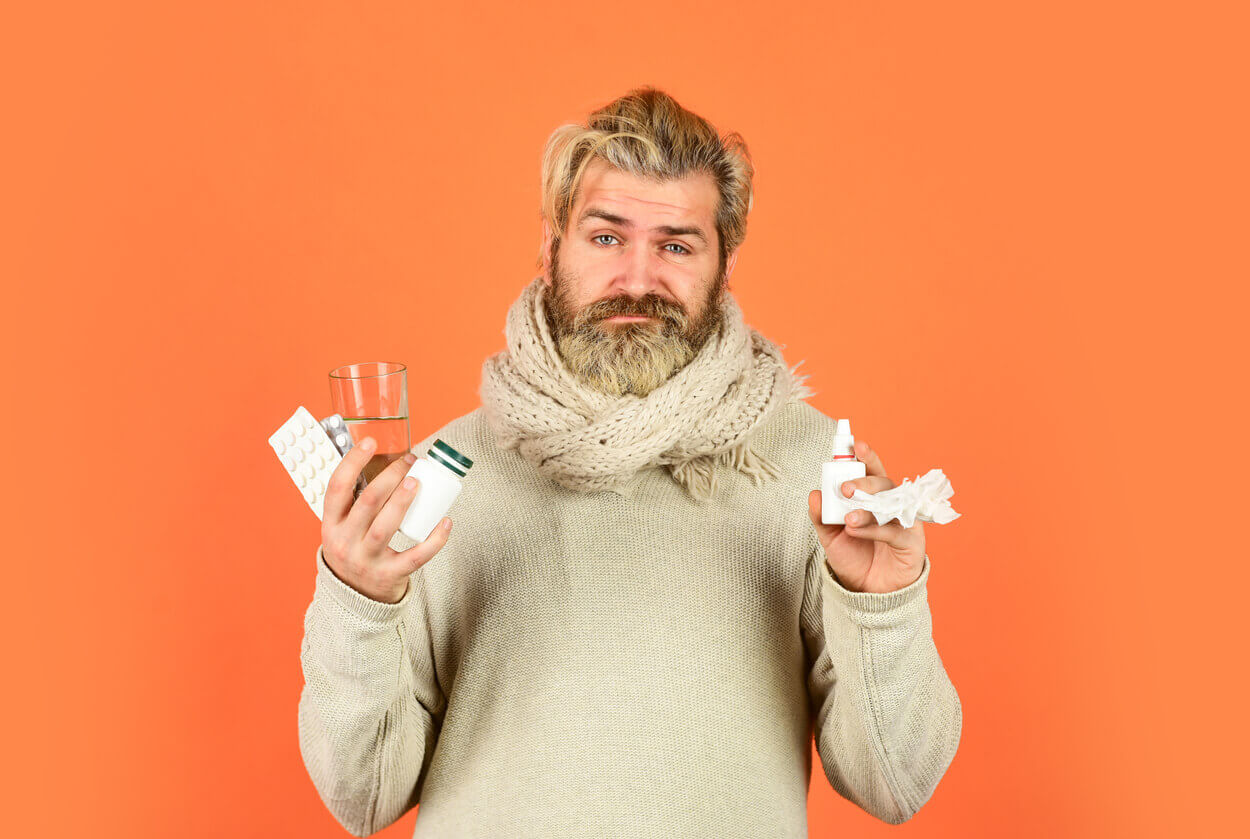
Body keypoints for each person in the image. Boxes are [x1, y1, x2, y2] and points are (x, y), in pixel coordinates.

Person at [297, 86, 962, 837]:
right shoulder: (436, 479)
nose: (638, 280)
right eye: (606, 238)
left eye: (676, 245)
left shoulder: (815, 470)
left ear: (726, 262)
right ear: (551, 246)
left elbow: (896, 782)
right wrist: (358, 599)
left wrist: (886, 604)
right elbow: (361, 797)